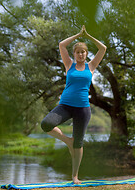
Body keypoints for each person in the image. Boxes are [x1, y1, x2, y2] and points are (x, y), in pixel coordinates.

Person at [41, 25, 107, 184]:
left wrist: (88, 36)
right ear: (74, 54)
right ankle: (67, 140)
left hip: (83, 109)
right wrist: (78, 35)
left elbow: (103, 48)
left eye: (83, 52)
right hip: (65, 106)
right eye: (78, 52)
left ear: (86, 54)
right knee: (46, 124)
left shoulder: (90, 67)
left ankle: (75, 177)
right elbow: (61, 45)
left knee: (79, 143)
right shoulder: (69, 64)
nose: (80, 54)